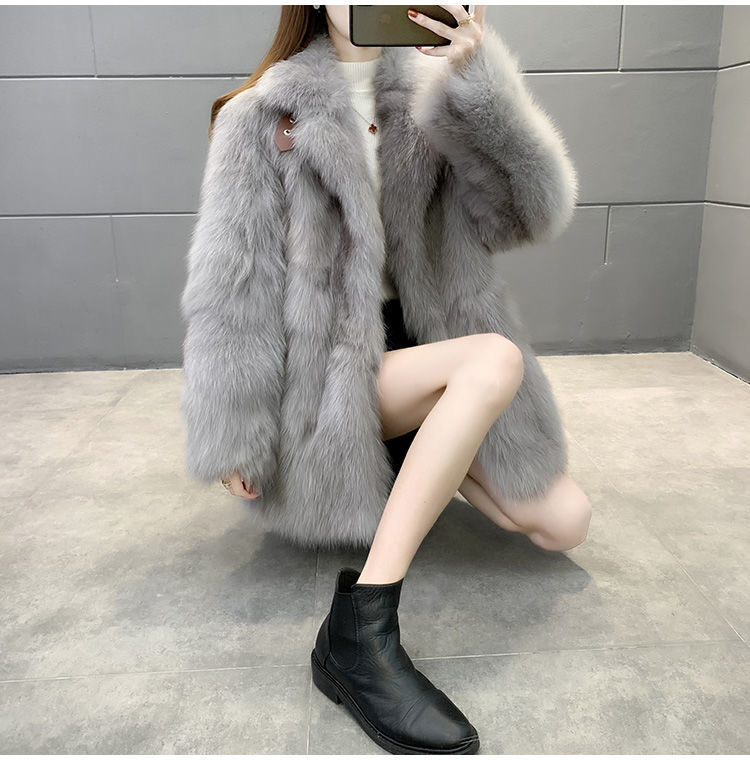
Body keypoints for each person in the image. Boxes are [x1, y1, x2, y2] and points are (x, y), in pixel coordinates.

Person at [180, 4, 591, 754]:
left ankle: (423, 453)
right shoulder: (260, 117)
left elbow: (528, 215)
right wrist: (235, 433)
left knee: (565, 523)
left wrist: (480, 80)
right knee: (491, 358)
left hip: (426, 362)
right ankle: (362, 628)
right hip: (329, 387)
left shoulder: (439, 99)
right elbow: (232, 287)